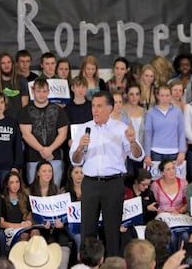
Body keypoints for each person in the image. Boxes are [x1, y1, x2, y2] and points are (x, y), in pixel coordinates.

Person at [70, 90, 143, 257]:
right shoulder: (84, 128)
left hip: (113, 184)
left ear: (110, 108)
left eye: (99, 106)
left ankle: (113, 264)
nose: (95, 110)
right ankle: (87, 265)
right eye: (93, 106)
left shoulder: (121, 128)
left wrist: (132, 142)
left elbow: (138, 155)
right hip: (90, 184)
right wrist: (80, 147)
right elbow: (75, 160)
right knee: (87, 229)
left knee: (112, 231)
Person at [19, 77, 69, 186]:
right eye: (38, 91)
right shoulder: (25, 111)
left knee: (55, 191)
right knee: (34, 192)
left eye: (44, 91)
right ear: (33, 91)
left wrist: (50, 149)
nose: (41, 94)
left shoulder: (58, 110)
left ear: (48, 91)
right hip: (33, 158)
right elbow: (26, 134)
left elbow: (63, 134)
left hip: (54, 157)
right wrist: (43, 150)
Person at [29, 160, 71, 269]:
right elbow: (26, 214)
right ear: (38, 173)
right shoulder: (29, 190)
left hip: (55, 227)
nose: (48, 174)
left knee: (63, 239)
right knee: (37, 236)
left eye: (50, 171)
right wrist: (38, 223)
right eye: (44, 171)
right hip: (38, 226)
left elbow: (64, 212)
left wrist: (61, 223)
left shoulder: (57, 190)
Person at [150, 159, 189, 252]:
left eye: (173, 168)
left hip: (179, 216)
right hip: (163, 218)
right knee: (171, 237)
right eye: (168, 169)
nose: (172, 171)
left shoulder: (184, 183)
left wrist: (179, 211)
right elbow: (154, 203)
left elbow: (188, 203)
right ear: (162, 172)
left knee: (185, 236)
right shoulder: (156, 185)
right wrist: (162, 213)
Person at [144, 85, 186, 168]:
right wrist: (147, 154)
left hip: (174, 152)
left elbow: (181, 132)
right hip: (156, 151)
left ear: (170, 96)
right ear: (158, 96)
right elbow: (148, 134)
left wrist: (182, 151)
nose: (165, 98)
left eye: (167, 95)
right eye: (162, 95)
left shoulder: (177, 111)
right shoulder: (151, 112)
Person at [0, 52, 29, 119]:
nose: (7, 65)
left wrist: (23, 120)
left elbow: (25, 104)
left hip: (19, 120)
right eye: (3, 63)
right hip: (2, 121)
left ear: (12, 64)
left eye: (9, 62)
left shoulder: (21, 80)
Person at [0, 172, 34, 241]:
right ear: (7, 185)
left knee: (34, 233)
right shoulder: (1, 200)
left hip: (24, 228)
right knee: (23, 235)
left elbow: (29, 216)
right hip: (9, 229)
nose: (15, 185)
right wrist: (19, 226)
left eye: (17, 182)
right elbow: (1, 223)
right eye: (11, 182)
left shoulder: (25, 198)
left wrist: (29, 222)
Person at [122, 84, 145, 175]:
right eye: (131, 94)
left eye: (137, 94)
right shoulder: (121, 111)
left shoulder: (144, 111)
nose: (134, 97)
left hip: (140, 151)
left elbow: (147, 133)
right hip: (126, 152)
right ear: (126, 95)